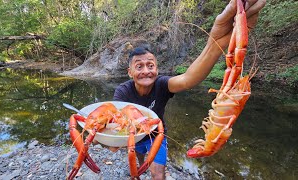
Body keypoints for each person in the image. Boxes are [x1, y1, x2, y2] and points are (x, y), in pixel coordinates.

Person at [112, 0, 266, 179]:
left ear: (157, 69)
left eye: (150, 65)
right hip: (136, 136)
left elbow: (188, 79)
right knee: (139, 159)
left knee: (158, 175)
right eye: (139, 67)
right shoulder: (122, 92)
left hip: (157, 136)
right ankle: (139, 169)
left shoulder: (161, 84)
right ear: (129, 72)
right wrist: (112, 138)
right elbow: (116, 119)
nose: (146, 71)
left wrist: (218, 42)